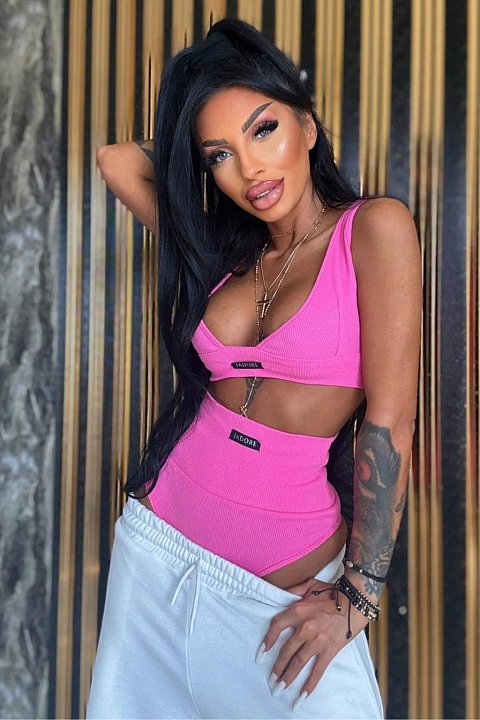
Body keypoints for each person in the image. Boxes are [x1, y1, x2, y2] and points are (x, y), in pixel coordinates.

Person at [87, 18, 421, 720]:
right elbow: (116, 161)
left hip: (278, 598)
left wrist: (359, 596)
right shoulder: (222, 253)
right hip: (156, 556)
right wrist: (194, 143)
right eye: (221, 155)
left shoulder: (373, 230)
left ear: (309, 125)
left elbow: (390, 420)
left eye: (264, 130)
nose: (250, 170)